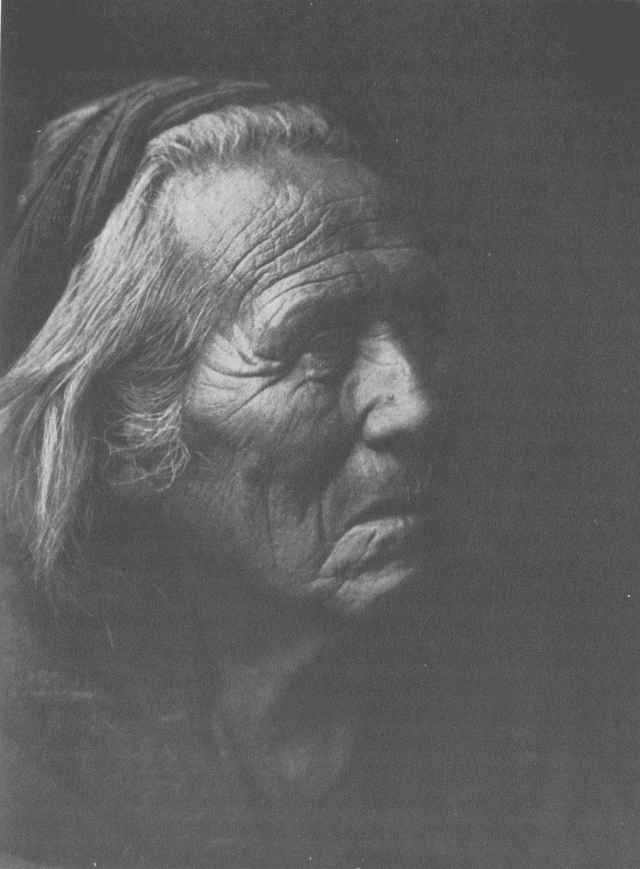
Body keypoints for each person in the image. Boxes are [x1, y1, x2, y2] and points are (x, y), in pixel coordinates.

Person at [0, 77, 452, 867]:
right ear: (119, 434)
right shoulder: (22, 754)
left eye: (418, 325)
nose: (416, 404)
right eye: (318, 345)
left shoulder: (519, 680)